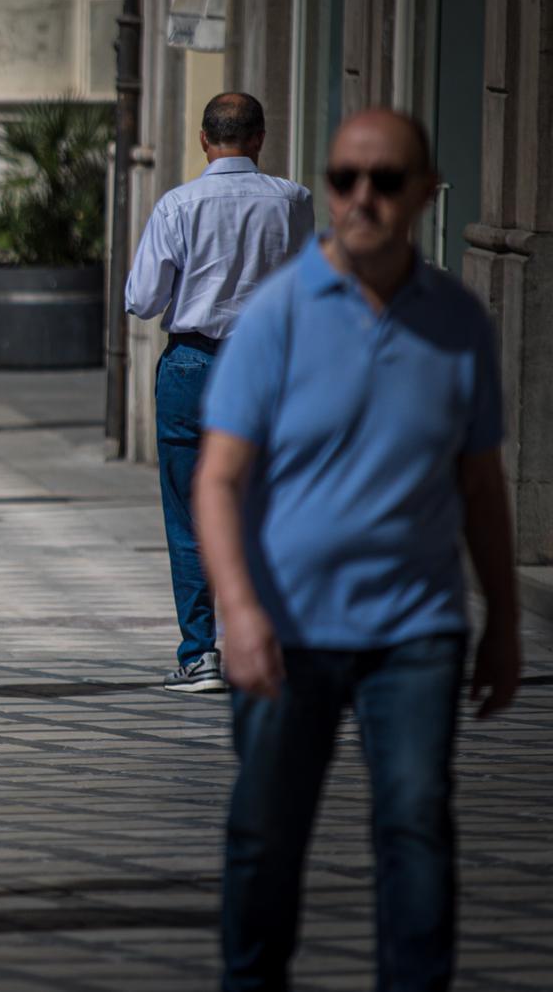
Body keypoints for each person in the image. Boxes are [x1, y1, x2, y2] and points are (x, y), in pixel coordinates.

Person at [195, 108, 521, 990]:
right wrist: (240, 611)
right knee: (267, 832)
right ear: (328, 187)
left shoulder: (458, 322)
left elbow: (482, 487)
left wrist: (505, 622)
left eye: (385, 180)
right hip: (285, 624)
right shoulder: (277, 315)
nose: (362, 197)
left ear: (425, 193)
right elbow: (218, 481)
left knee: (416, 820)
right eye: (345, 179)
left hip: (416, 627)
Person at [125, 92, 314, 692]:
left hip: (193, 363)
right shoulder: (293, 202)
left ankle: (200, 654)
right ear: (260, 139)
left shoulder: (178, 205)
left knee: (188, 516)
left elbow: (143, 299)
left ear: (204, 140)